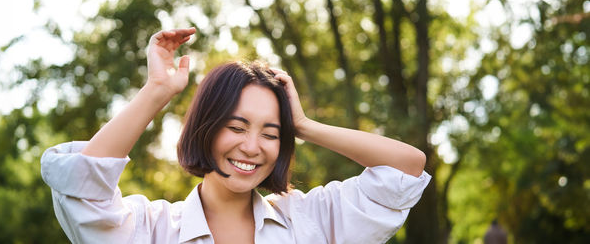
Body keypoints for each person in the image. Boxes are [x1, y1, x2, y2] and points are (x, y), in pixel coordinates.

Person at [40, 28, 431, 244]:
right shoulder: (154, 228)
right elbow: (81, 188)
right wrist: (157, 90)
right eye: (237, 126)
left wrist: (305, 126)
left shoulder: (309, 222)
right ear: (206, 128)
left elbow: (405, 170)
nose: (251, 147)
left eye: (270, 133)